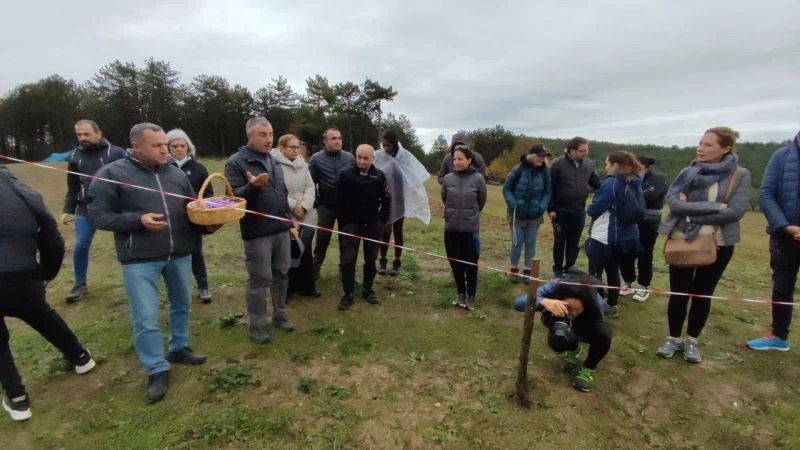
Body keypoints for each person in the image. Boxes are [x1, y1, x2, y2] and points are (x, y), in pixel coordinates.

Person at [88, 123, 214, 403]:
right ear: (136, 146)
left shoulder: (176, 173)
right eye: (157, 146)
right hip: (139, 259)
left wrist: (208, 225)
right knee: (146, 317)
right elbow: (98, 216)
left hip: (179, 253)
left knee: (182, 305)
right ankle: (156, 367)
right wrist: (137, 221)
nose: (164, 150)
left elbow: (191, 209)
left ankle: (178, 347)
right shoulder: (112, 174)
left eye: (165, 145)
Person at [0, 167, 96, 421]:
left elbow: (51, 236)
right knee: (42, 314)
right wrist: (45, 274)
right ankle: (80, 356)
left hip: (19, 272)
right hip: (24, 275)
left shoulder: (20, 191)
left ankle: (18, 400)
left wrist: (44, 275)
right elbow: (52, 239)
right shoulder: (22, 191)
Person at [655, 127, 750, 363]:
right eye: (700, 143)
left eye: (708, 144)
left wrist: (692, 213)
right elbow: (674, 203)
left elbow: (736, 211)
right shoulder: (688, 172)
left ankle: (692, 341)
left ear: (726, 148)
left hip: (719, 243)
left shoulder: (740, 175)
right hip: (682, 240)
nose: (700, 148)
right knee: (679, 293)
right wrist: (717, 207)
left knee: (703, 294)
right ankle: (673, 337)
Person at [225, 118, 298, 344]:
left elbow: (282, 193)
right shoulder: (236, 162)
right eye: (262, 135)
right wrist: (252, 186)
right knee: (260, 278)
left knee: (281, 272)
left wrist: (289, 221)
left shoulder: (275, 161)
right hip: (257, 232)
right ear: (250, 136)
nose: (269, 139)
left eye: (270, 134)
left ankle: (280, 314)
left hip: (280, 229)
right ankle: (257, 325)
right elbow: (234, 199)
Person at [61, 119, 127, 303]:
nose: (83, 138)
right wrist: (68, 209)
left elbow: (131, 179)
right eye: (79, 135)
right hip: (86, 208)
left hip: (115, 207)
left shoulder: (116, 153)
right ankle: (79, 284)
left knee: (126, 245)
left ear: (99, 133)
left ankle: (134, 281)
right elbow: (73, 186)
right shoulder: (74, 155)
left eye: (87, 134)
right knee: (80, 245)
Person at [513, 269, 611, 392]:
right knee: (556, 341)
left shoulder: (595, 300)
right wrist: (542, 301)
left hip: (586, 323)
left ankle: (588, 367)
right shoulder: (553, 287)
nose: (572, 313)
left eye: (577, 310)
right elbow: (518, 303)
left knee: (604, 333)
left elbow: (597, 326)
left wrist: (577, 333)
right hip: (559, 318)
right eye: (568, 307)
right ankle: (573, 349)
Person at [746, 129, 800, 351]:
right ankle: (779, 336)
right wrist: (786, 226)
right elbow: (766, 195)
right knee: (782, 287)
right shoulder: (781, 156)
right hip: (785, 235)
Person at [584, 151, 645, 319]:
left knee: (595, 272)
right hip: (627, 236)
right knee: (613, 270)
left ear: (615, 165)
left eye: (607, 163)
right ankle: (611, 305)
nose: (605, 167)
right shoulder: (635, 181)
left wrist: (587, 208)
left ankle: (595, 306)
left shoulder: (612, 183)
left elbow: (596, 208)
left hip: (606, 235)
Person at [335, 144, 391, 310]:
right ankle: (348, 293)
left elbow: (386, 199)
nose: (361, 161)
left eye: (365, 158)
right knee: (348, 259)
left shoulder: (379, 176)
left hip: (373, 225)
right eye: (359, 157)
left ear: (373, 158)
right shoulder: (345, 175)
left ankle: (368, 289)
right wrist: (344, 223)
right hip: (351, 225)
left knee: (371, 259)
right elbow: (339, 200)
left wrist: (382, 221)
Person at [374, 129, 431, 276]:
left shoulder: (404, 156)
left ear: (394, 144)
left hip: (400, 198)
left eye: (388, 145)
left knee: (398, 231)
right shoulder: (379, 155)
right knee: (385, 231)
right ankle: (383, 260)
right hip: (385, 199)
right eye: (383, 145)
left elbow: (411, 175)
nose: (386, 148)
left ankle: (397, 261)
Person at [167, 128, 214, 303]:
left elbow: (208, 192)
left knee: (196, 253)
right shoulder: (162, 167)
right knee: (174, 255)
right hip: (170, 219)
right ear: (168, 148)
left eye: (182, 145)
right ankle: (178, 289)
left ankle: (203, 286)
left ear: (188, 147)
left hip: (193, 219)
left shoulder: (198, 168)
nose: (179, 149)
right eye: (175, 146)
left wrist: (202, 207)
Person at [271, 134, 319, 298]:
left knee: (305, 249)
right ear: (282, 147)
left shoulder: (303, 164)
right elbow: (276, 189)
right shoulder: (274, 164)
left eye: (298, 147)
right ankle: (288, 290)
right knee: (289, 251)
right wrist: (294, 206)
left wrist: (305, 206)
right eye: (292, 147)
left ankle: (306, 287)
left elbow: (310, 186)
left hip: (305, 214)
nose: (296, 150)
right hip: (287, 213)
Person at [441, 145, 487, 310]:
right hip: (451, 230)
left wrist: (469, 216)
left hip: (470, 231)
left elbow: (480, 202)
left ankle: (471, 296)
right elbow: (445, 199)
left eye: (460, 159)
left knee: (470, 265)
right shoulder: (447, 179)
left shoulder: (478, 179)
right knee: (456, 264)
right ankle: (460, 293)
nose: (457, 162)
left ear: (469, 160)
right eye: (454, 159)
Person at [548, 136, 602, 277]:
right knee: (560, 241)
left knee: (574, 242)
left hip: (579, 210)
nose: (586, 152)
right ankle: (558, 270)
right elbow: (550, 188)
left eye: (587, 149)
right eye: (583, 150)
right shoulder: (557, 164)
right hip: (560, 210)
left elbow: (597, 183)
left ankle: (570, 268)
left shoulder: (589, 165)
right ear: (572, 150)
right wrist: (551, 208)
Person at [619, 156, 667, 302]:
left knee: (645, 254)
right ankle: (627, 281)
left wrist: (634, 196)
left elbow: (653, 195)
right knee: (626, 252)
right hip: (629, 221)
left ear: (643, 166)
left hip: (649, 223)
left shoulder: (657, 178)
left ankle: (644, 286)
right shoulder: (627, 178)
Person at [308, 128, 354, 279]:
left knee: (345, 240)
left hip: (346, 207)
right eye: (333, 138)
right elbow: (309, 183)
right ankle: (314, 271)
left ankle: (345, 270)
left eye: (339, 138)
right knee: (322, 238)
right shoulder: (316, 159)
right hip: (325, 206)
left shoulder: (349, 158)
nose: (337, 141)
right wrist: (316, 201)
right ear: (325, 141)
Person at [502, 143, 552, 283]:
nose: (542, 159)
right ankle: (513, 270)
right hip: (517, 215)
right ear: (532, 156)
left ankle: (527, 272)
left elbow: (548, 192)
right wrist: (513, 203)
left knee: (530, 244)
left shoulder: (545, 172)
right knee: (517, 244)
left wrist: (542, 207)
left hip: (535, 216)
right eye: (540, 156)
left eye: (544, 157)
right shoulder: (517, 170)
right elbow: (506, 189)